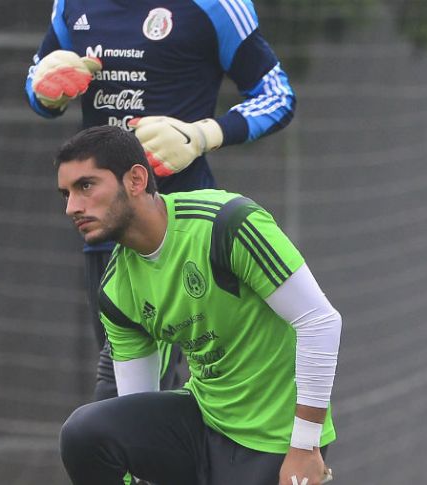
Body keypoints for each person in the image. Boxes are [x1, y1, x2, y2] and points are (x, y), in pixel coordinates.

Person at [25, 0, 297, 402]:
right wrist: (46, 90)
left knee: (123, 394)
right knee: (137, 393)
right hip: (106, 235)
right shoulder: (72, 5)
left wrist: (202, 135)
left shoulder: (216, 7)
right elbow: (39, 81)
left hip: (181, 232)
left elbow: (278, 97)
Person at [54, 126, 341, 485]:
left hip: (277, 440)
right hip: (202, 427)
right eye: (65, 193)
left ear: (136, 179)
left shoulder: (227, 224)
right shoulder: (115, 287)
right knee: (85, 432)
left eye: (86, 186)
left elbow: (320, 322)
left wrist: (305, 447)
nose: (72, 207)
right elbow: (138, 409)